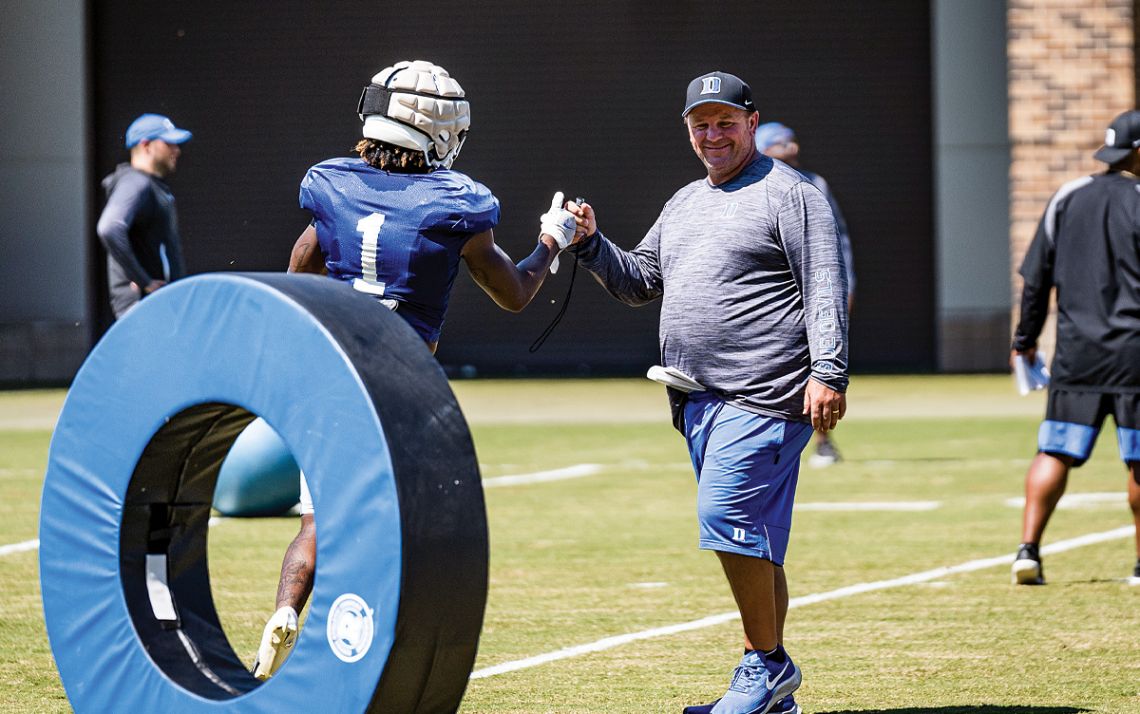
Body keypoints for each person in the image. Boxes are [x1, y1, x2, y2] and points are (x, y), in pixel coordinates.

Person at [253, 59, 579, 679]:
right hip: (401, 383)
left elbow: (300, 270)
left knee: (318, 520)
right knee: (400, 531)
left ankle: (285, 611)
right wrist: (552, 241)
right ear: (433, 132)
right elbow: (513, 292)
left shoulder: (333, 187)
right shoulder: (456, 204)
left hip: (334, 375)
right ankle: (362, 647)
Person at [566, 71, 848, 714]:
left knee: (726, 518)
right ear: (688, 130)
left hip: (767, 393)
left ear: (752, 122)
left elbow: (824, 286)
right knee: (758, 541)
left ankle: (766, 666)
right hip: (696, 400)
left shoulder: (792, 194)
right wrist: (590, 244)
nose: (713, 134)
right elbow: (641, 282)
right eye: (702, 124)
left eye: (726, 121)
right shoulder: (686, 200)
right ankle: (774, 691)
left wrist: (828, 372)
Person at [1009, 109, 1140, 586]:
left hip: (1077, 354)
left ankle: (1028, 551)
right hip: (1134, 355)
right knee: (1138, 459)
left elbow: (1034, 279)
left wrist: (1024, 341)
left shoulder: (1068, 196)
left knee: (1054, 451)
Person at [755, 122, 855, 469]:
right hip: (769, 299)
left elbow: (838, 241)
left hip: (812, 295)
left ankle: (823, 441)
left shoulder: (814, 184)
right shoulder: (748, 187)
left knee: (818, 368)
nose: (790, 150)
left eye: (791, 144)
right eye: (780, 146)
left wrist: (847, 286)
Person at [96, 113, 192, 319]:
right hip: (141, 309)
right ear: (146, 146)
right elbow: (109, 228)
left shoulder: (149, 185)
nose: (177, 150)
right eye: (169, 143)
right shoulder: (135, 182)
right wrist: (144, 281)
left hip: (154, 307)